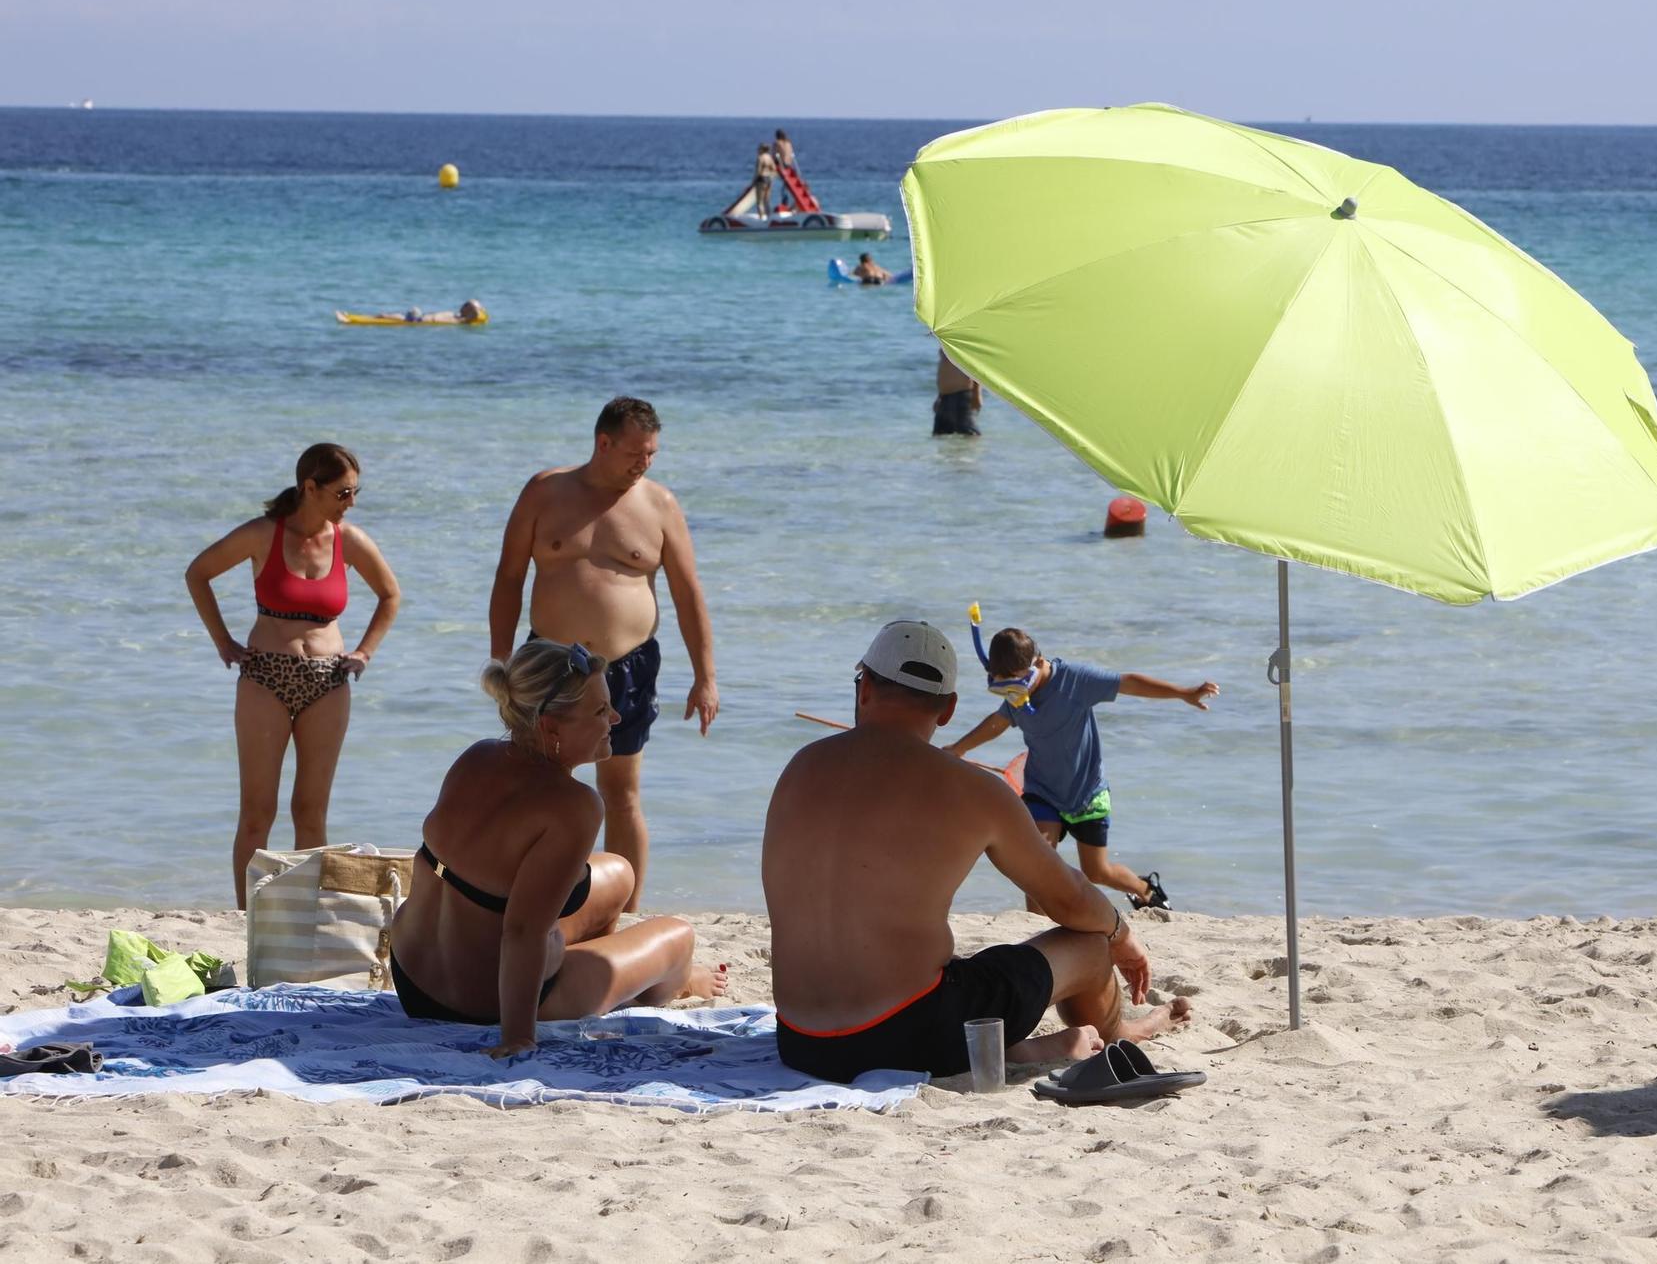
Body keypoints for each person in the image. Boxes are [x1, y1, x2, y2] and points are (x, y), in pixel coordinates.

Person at [763, 621, 1191, 1082]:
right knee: (1090, 942)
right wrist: (1119, 933)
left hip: (802, 1041)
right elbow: (1067, 898)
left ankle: (1028, 1048)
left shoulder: (800, 766)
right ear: (947, 710)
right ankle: (1119, 1030)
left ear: (865, 687)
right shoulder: (973, 790)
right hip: (912, 1034)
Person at [388, 639, 727, 1058]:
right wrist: (518, 1037)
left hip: (411, 975)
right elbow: (522, 932)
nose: (616, 718)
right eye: (601, 711)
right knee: (679, 937)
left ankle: (588, 972)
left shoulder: (477, 757)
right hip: (481, 1004)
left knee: (619, 872)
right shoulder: (574, 806)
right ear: (551, 729)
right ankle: (672, 984)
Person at [489, 396, 717, 912]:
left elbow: (688, 593)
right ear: (603, 443)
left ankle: (625, 911)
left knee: (622, 791)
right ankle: (535, 899)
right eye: (637, 452)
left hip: (629, 663)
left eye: (653, 453)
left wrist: (706, 676)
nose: (646, 462)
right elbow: (508, 578)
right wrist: (501, 659)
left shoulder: (658, 504)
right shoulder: (545, 491)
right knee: (540, 784)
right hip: (550, 662)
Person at [185, 443, 401, 907]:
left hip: (328, 681)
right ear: (310, 487)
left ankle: (304, 915)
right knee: (257, 813)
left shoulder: (351, 540)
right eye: (343, 492)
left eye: (355, 492)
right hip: (265, 674)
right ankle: (246, 916)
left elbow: (390, 595)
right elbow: (198, 573)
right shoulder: (263, 534)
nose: (351, 502)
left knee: (310, 811)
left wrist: (364, 651)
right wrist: (222, 641)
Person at [945, 625, 1218, 911]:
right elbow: (998, 722)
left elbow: (1128, 682)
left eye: (1019, 681)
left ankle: (1146, 890)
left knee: (1097, 872)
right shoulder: (1014, 692)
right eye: (1004, 685)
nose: (1013, 691)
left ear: (1038, 662)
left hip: (1086, 793)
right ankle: (1038, 933)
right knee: (1035, 865)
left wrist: (1183, 693)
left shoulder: (1074, 682)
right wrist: (959, 748)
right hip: (1042, 791)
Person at [932, 350, 983, 436]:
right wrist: (939, 396)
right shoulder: (946, 341)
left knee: (970, 433)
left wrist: (977, 393)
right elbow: (945, 371)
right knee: (939, 435)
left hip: (963, 396)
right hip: (944, 398)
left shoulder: (963, 341)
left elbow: (976, 366)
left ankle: (976, 449)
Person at [753, 144, 778, 218]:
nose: (757, 151)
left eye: (758, 149)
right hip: (768, 179)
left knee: (759, 201)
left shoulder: (760, 158)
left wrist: (753, 182)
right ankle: (769, 217)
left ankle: (761, 218)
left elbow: (758, 171)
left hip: (761, 179)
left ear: (761, 149)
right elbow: (774, 169)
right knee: (766, 200)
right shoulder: (769, 157)